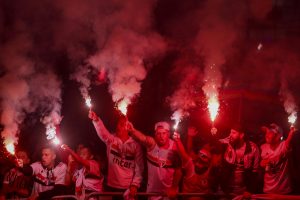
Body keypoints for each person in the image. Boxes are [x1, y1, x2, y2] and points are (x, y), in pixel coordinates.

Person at [89, 110, 144, 200]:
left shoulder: (136, 145)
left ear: (128, 127)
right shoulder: (111, 140)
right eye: (118, 124)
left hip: (128, 188)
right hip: (112, 187)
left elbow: (139, 168)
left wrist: (135, 185)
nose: (118, 127)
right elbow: (103, 133)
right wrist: (96, 120)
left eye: (122, 125)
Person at [127, 121, 182, 200]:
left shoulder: (174, 147)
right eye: (158, 133)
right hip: (152, 193)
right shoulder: (152, 145)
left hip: (168, 194)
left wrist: (174, 188)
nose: (161, 136)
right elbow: (142, 138)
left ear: (168, 134)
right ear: (155, 134)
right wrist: (132, 130)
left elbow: (178, 171)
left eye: (164, 133)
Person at [219, 127, 260, 197]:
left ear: (241, 135)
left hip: (243, 191)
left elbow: (255, 171)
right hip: (227, 190)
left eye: (234, 133)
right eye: (230, 132)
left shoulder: (253, 148)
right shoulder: (226, 145)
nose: (230, 135)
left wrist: (250, 190)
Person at [173, 131, 212, 200]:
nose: (198, 163)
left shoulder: (211, 171)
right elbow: (183, 153)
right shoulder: (190, 165)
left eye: (202, 161)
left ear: (208, 163)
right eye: (198, 159)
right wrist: (177, 140)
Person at [260, 123, 296, 194]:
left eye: (270, 133)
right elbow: (261, 164)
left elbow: (288, 141)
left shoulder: (283, 145)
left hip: (283, 190)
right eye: (266, 133)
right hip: (267, 190)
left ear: (278, 136)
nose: (266, 135)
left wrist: (291, 132)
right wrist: (261, 164)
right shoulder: (263, 147)